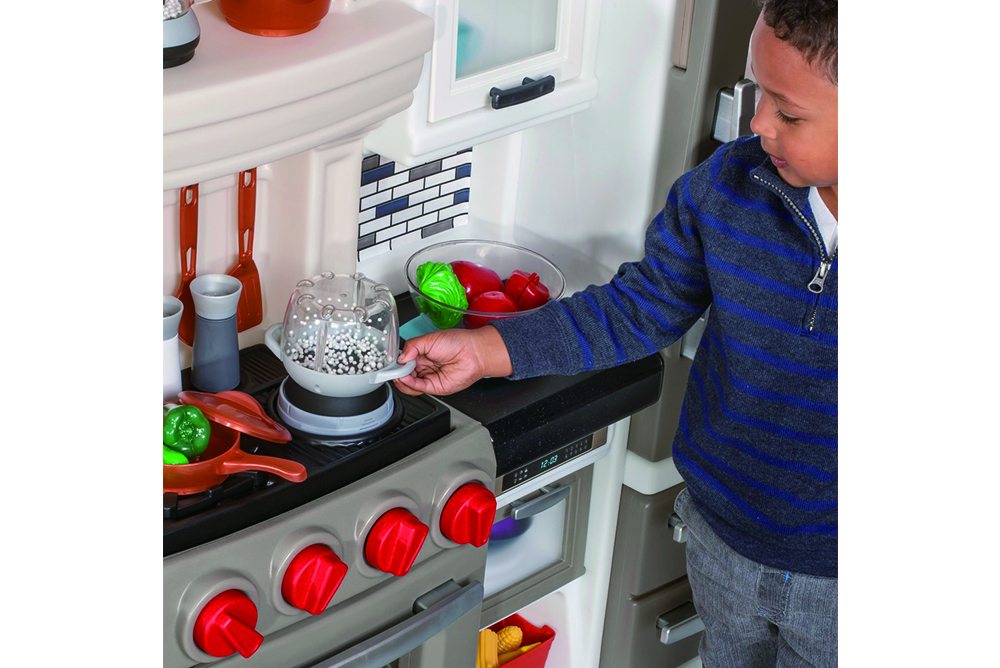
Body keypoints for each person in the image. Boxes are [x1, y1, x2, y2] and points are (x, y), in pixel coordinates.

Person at [395, 1, 838, 665]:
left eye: (789, 112)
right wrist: (489, 349)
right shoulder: (729, 187)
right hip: (722, 537)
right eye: (757, 91)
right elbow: (642, 306)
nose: (758, 123)